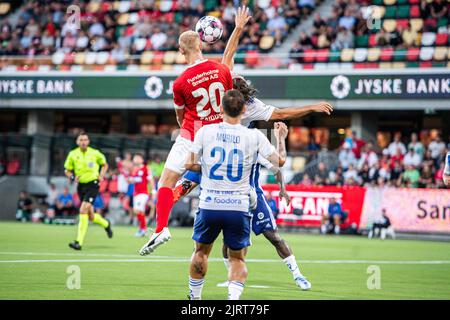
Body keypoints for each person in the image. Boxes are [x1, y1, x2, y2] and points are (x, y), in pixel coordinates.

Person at [173, 6, 330, 289]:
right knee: (207, 186)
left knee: (198, 172)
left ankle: (171, 200)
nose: (236, 82)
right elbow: (228, 56)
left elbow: (281, 113)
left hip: (238, 176)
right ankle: (233, 279)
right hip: (228, 176)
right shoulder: (227, 86)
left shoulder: (245, 105)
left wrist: (311, 108)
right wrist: (238, 28)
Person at [184, 89, 290, 300]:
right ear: (244, 110)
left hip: (210, 203)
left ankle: (195, 299)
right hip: (238, 206)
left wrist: (208, 168)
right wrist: (280, 138)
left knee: (201, 253)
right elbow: (280, 162)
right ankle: (233, 301)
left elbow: (189, 164)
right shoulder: (254, 136)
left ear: (221, 108)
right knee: (237, 260)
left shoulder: (205, 132)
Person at [138, 27, 234, 255]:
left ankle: (161, 228)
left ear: (181, 51)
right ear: (201, 45)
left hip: (193, 134)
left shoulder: (180, 82)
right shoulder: (222, 69)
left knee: (166, 181)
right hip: (219, 137)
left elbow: (180, 117)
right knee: (212, 179)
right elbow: (229, 104)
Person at [64, 132, 113, 250]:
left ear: (88, 141)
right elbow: (67, 170)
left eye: (85, 140)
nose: (83, 142)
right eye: (81, 140)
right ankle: (106, 224)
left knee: (83, 210)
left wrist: (101, 174)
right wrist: (72, 177)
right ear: (77, 142)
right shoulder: (73, 154)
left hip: (93, 184)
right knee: (90, 216)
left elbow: (105, 164)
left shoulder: (95, 153)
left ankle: (78, 242)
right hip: (81, 186)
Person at [129, 153, 154, 237]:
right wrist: (131, 180)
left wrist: (154, 191)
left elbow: (151, 180)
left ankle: (143, 229)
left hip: (143, 193)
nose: (135, 159)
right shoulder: (135, 169)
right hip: (136, 193)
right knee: (140, 211)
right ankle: (142, 229)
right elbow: (134, 180)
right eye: (134, 157)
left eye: (137, 157)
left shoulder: (146, 169)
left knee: (137, 210)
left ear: (141, 159)